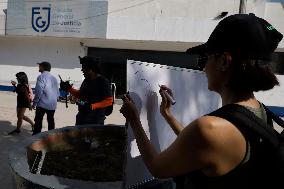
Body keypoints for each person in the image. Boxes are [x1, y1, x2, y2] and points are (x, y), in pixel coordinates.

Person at [120, 13, 283, 188]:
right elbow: (203, 147)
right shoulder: (261, 113)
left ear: (224, 62)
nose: (203, 68)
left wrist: (134, 120)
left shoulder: (209, 128)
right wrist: (168, 116)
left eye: (204, 59)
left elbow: (158, 167)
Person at [60, 56, 113, 125]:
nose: (82, 70)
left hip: (95, 120)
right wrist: (69, 88)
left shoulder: (103, 81)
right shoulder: (86, 80)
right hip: (81, 117)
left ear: (91, 69)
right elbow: (80, 94)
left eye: (83, 68)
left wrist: (92, 106)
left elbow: (109, 101)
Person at [32, 61, 59, 135]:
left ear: (43, 67)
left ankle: (35, 137)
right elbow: (57, 92)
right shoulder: (54, 78)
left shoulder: (41, 77)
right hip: (52, 104)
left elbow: (38, 91)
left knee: (38, 121)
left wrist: (34, 102)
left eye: (40, 66)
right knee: (50, 121)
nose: (39, 67)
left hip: (42, 104)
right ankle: (51, 137)